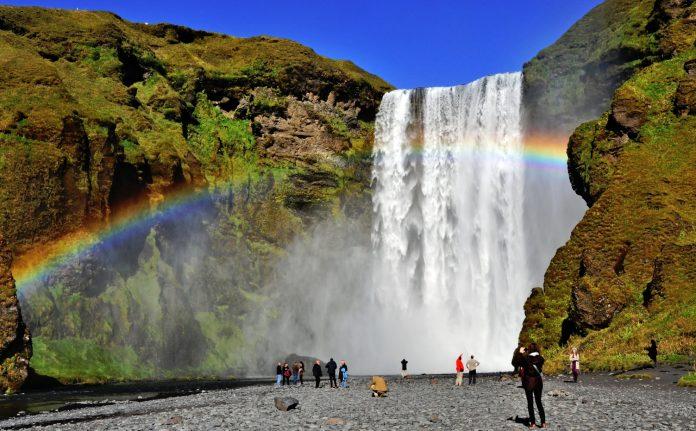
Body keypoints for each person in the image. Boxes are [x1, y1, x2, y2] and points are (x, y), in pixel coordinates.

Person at [512, 343, 547, 429]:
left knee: (530, 403)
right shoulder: (541, 358)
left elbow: (515, 363)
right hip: (538, 382)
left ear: (529, 350)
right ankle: (543, 423)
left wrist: (520, 353)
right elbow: (539, 360)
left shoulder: (526, 359)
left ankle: (533, 423)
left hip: (529, 382)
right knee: (539, 402)